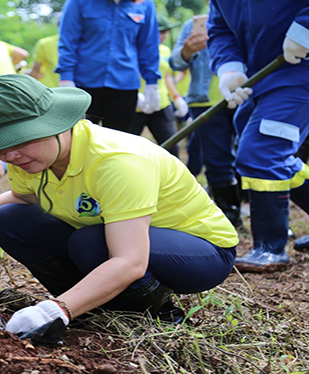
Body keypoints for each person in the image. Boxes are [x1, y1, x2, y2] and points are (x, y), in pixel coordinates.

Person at [0, 75, 238, 340]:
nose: (10, 154)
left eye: (20, 140)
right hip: (109, 237)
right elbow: (23, 197)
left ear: (54, 124)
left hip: (200, 252)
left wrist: (56, 310)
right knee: (8, 220)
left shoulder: (118, 162)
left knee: (91, 242)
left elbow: (130, 260)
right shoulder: (30, 157)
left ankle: (154, 313)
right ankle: (94, 306)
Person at [207, 0, 309, 272]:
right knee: (266, 154)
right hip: (260, 75)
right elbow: (220, 28)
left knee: (262, 152)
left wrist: (307, 30)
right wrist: (229, 66)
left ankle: (270, 248)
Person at [169, 14, 242, 227]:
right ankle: (230, 216)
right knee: (217, 160)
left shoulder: (250, 16)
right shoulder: (192, 25)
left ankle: (263, 214)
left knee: (252, 156)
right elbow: (175, 63)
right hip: (206, 101)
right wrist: (188, 50)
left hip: (245, 94)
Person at [56, 0, 160, 132]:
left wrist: (152, 83)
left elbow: (148, 45)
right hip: (83, 85)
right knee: (78, 139)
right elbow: (68, 40)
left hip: (125, 86)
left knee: (119, 142)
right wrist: (66, 78)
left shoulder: (145, 4)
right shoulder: (79, 2)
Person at [128, 17, 188, 158]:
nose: (164, 36)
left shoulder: (165, 51)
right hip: (137, 104)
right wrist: (134, 93)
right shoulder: (132, 49)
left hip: (161, 104)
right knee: (127, 147)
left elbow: (166, 76)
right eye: (160, 32)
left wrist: (177, 97)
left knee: (172, 147)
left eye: (165, 32)